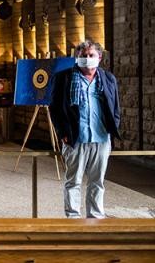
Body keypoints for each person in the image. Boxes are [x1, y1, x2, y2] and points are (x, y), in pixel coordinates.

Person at [50, 40, 121, 219]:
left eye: (91, 55)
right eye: (83, 56)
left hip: (101, 138)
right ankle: (73, 218)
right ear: (77, 58)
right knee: (73, 181)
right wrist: (62, 133)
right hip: (75, 138)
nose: (87, 59)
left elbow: (115, 107)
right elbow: (55, 108)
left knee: (97, 182)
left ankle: (96, 217)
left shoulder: (108, 78)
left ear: (99, 57)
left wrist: (113, 128)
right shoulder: (63, 78)